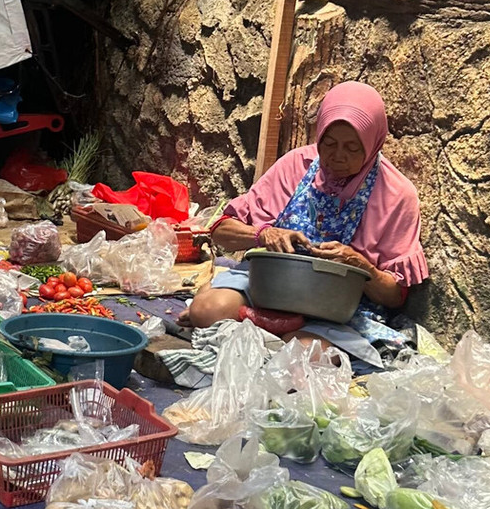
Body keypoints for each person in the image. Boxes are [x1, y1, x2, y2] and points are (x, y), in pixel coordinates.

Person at [182, 81, 428, 367]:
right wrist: (263, 234)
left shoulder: (397, 194)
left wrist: (360, 266)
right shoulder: (296, 165)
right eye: (329, 143)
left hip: (340, 309)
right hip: (272, 288)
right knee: (206, 311)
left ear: (373, 143)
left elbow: (396, 296)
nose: (338, 156)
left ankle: (271, 341)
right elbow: (221, 230)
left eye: (352, 147)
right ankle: (256, 331)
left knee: (300, 355)